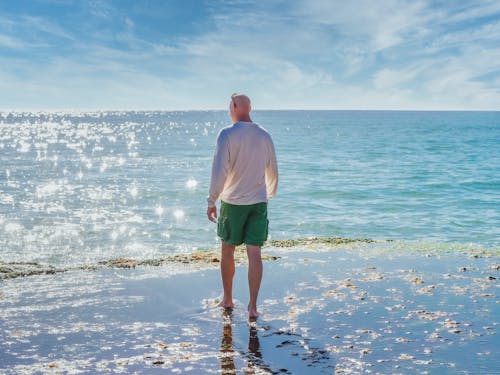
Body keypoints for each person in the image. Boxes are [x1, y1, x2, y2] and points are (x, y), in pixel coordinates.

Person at [207, 93, 278, 320]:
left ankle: (227, 299)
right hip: (258, 201)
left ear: (235, 106)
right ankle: (253, 308)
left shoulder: (227, 134)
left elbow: (220, 171)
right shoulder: (264, 135)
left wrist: (211, 199)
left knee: (228, 249)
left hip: (233, 201)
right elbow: (272, 169)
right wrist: (269, 193)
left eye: (230, 104)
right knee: (254, 253)